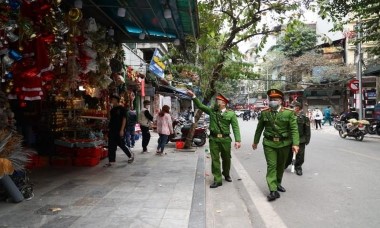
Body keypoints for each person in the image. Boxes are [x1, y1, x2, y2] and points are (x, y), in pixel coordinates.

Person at [186, 90, 241, 188]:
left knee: (227, 159)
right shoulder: (212, 111)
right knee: (215, 160)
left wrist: (238, 140)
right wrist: (194, 96)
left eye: (218, 101)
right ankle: (217, 179)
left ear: (224, 103)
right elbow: (201, 106)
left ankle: (226, 173)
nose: (216, 103)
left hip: (225, 140)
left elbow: (235, 127)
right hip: (214, 139)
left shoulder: (231, 114)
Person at [252, 89, 299, 201]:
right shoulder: (265, 113)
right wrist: (255, 141)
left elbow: (294, 129)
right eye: (271, 99)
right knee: (272, 165)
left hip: (284, 143)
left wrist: (296, 144)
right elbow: (259, 128)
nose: (273, 101)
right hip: (269, 143)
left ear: (281, 101)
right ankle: (273, 190)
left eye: (275, 99)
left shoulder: (289, 113)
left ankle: (278, 183)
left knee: (280, 166)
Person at [104, 94, 134, 167]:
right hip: (112, 129)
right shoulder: (112, 109)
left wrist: (122, 130)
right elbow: (110, 119)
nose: (112, 101)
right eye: (111, 100)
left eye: (113, 99)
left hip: (119, 129)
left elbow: (124, 119)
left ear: (116, 100)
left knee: (122, 144)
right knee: (111, 145)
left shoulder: (122, 109)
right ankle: (111, 161)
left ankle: (130, 155)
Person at [285, 101, 311, 176]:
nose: (291, 108)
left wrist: (307, 140)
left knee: (300, 155)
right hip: (289, 139)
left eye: (293, 107)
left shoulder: (304, 118)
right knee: (288, 154)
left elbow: (307, 130)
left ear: (298, 108)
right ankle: (286, 164)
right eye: (291, 107)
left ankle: (298, 167)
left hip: (301, 139)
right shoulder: (287, 117)